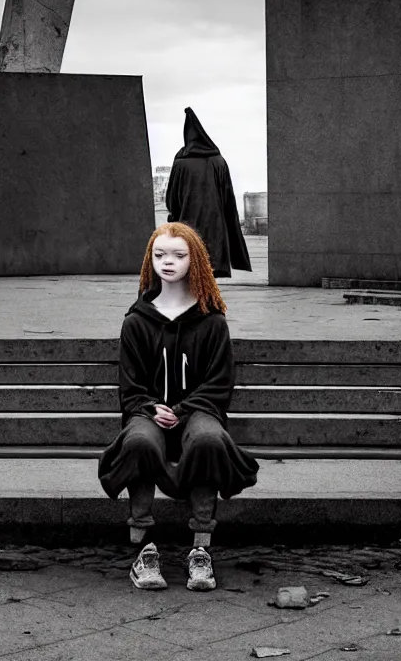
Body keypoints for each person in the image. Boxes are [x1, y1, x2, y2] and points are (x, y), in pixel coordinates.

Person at [98, 222, 259, 592]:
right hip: (148, 414)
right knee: (137, 442)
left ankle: (201, 550)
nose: (167, 262)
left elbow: (219, 383)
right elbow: (130, 385)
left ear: (195, 260)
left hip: (198, 412)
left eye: (178, 255)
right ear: (149, 260)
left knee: (207, 440)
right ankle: (144, 549)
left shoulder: (212, 320)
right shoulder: (137, 320)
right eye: (159, 254)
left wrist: (184, 410)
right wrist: (152, 407)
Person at [165, 107, 251, 278]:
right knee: (212, 264)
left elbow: (172, 198)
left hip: (187, 223)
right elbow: (227, 197)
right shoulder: (218, 161)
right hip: (216, 224)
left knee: (189, 263)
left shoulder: (181, 162)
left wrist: (175, 214)